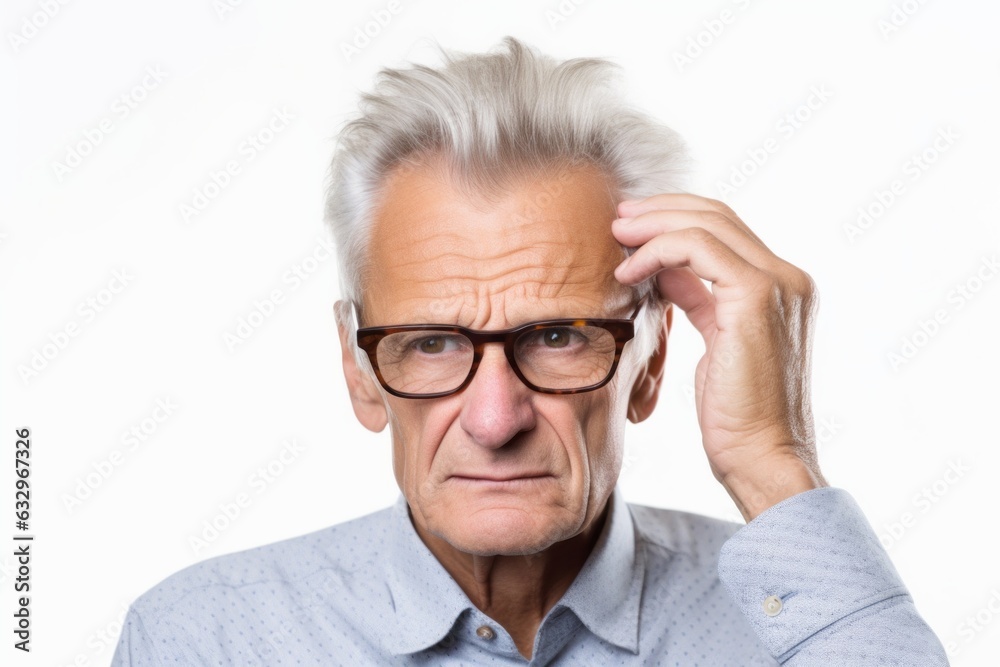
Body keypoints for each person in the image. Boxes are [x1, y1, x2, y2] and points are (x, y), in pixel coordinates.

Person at [113, 37, 948, 665]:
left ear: (650, 359)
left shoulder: (792, 622)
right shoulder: (202, 637)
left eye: (556, 335)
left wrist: (773, 462)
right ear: (358, 368)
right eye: (431, 342)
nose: (494, 416)